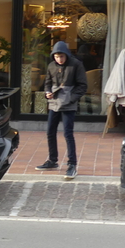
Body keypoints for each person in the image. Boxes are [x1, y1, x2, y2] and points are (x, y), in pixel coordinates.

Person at [36, 41, 87, 180]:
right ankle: (53, 160)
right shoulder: (51, 66)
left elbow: (83, 86)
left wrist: (71, 98)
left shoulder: (76, 64)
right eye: (57, 57)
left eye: (61, 57)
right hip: (54, 103)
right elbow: (47, 82)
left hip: (68, 105)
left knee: (68, 134)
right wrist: (47, 92)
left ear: (66, 55)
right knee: (50, 132)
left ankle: (72, 164)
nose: (59, 59)